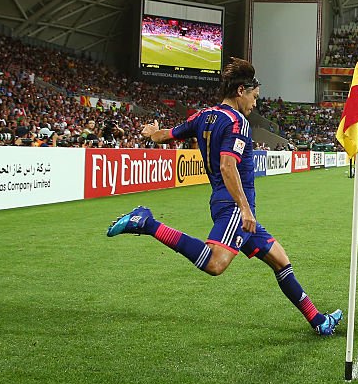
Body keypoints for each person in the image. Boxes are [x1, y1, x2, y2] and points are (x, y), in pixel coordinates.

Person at [105, 58, 342, 337]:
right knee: (215, 264)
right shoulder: (237, 122)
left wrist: (150, 133)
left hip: (225, 203)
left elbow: (165, 136)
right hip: (233, 207)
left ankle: (318, 321)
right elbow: (228, 165)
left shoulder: (203, 116)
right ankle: (147, 223)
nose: (255, 103)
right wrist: (244, 208)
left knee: (281, 261)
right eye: (254, 96)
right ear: (241, 91)